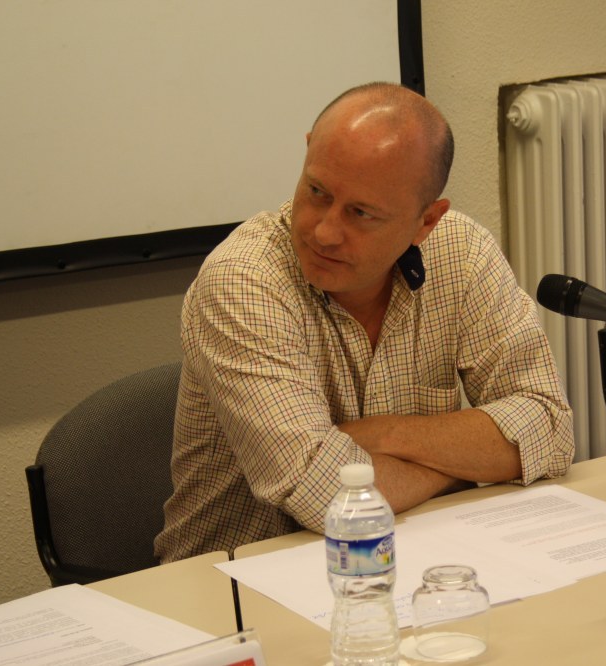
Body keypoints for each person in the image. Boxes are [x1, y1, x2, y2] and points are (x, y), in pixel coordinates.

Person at [155, 82, 574, 562]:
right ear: (308, 151)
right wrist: (465, 464)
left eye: (361, 213)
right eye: (317, 191)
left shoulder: (462, 253)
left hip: (414, 555)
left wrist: (387, 435)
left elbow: (549, 429)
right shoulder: (244, 280)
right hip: (236, 579)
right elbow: (326, 497)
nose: (324, 231)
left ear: (426, 222)